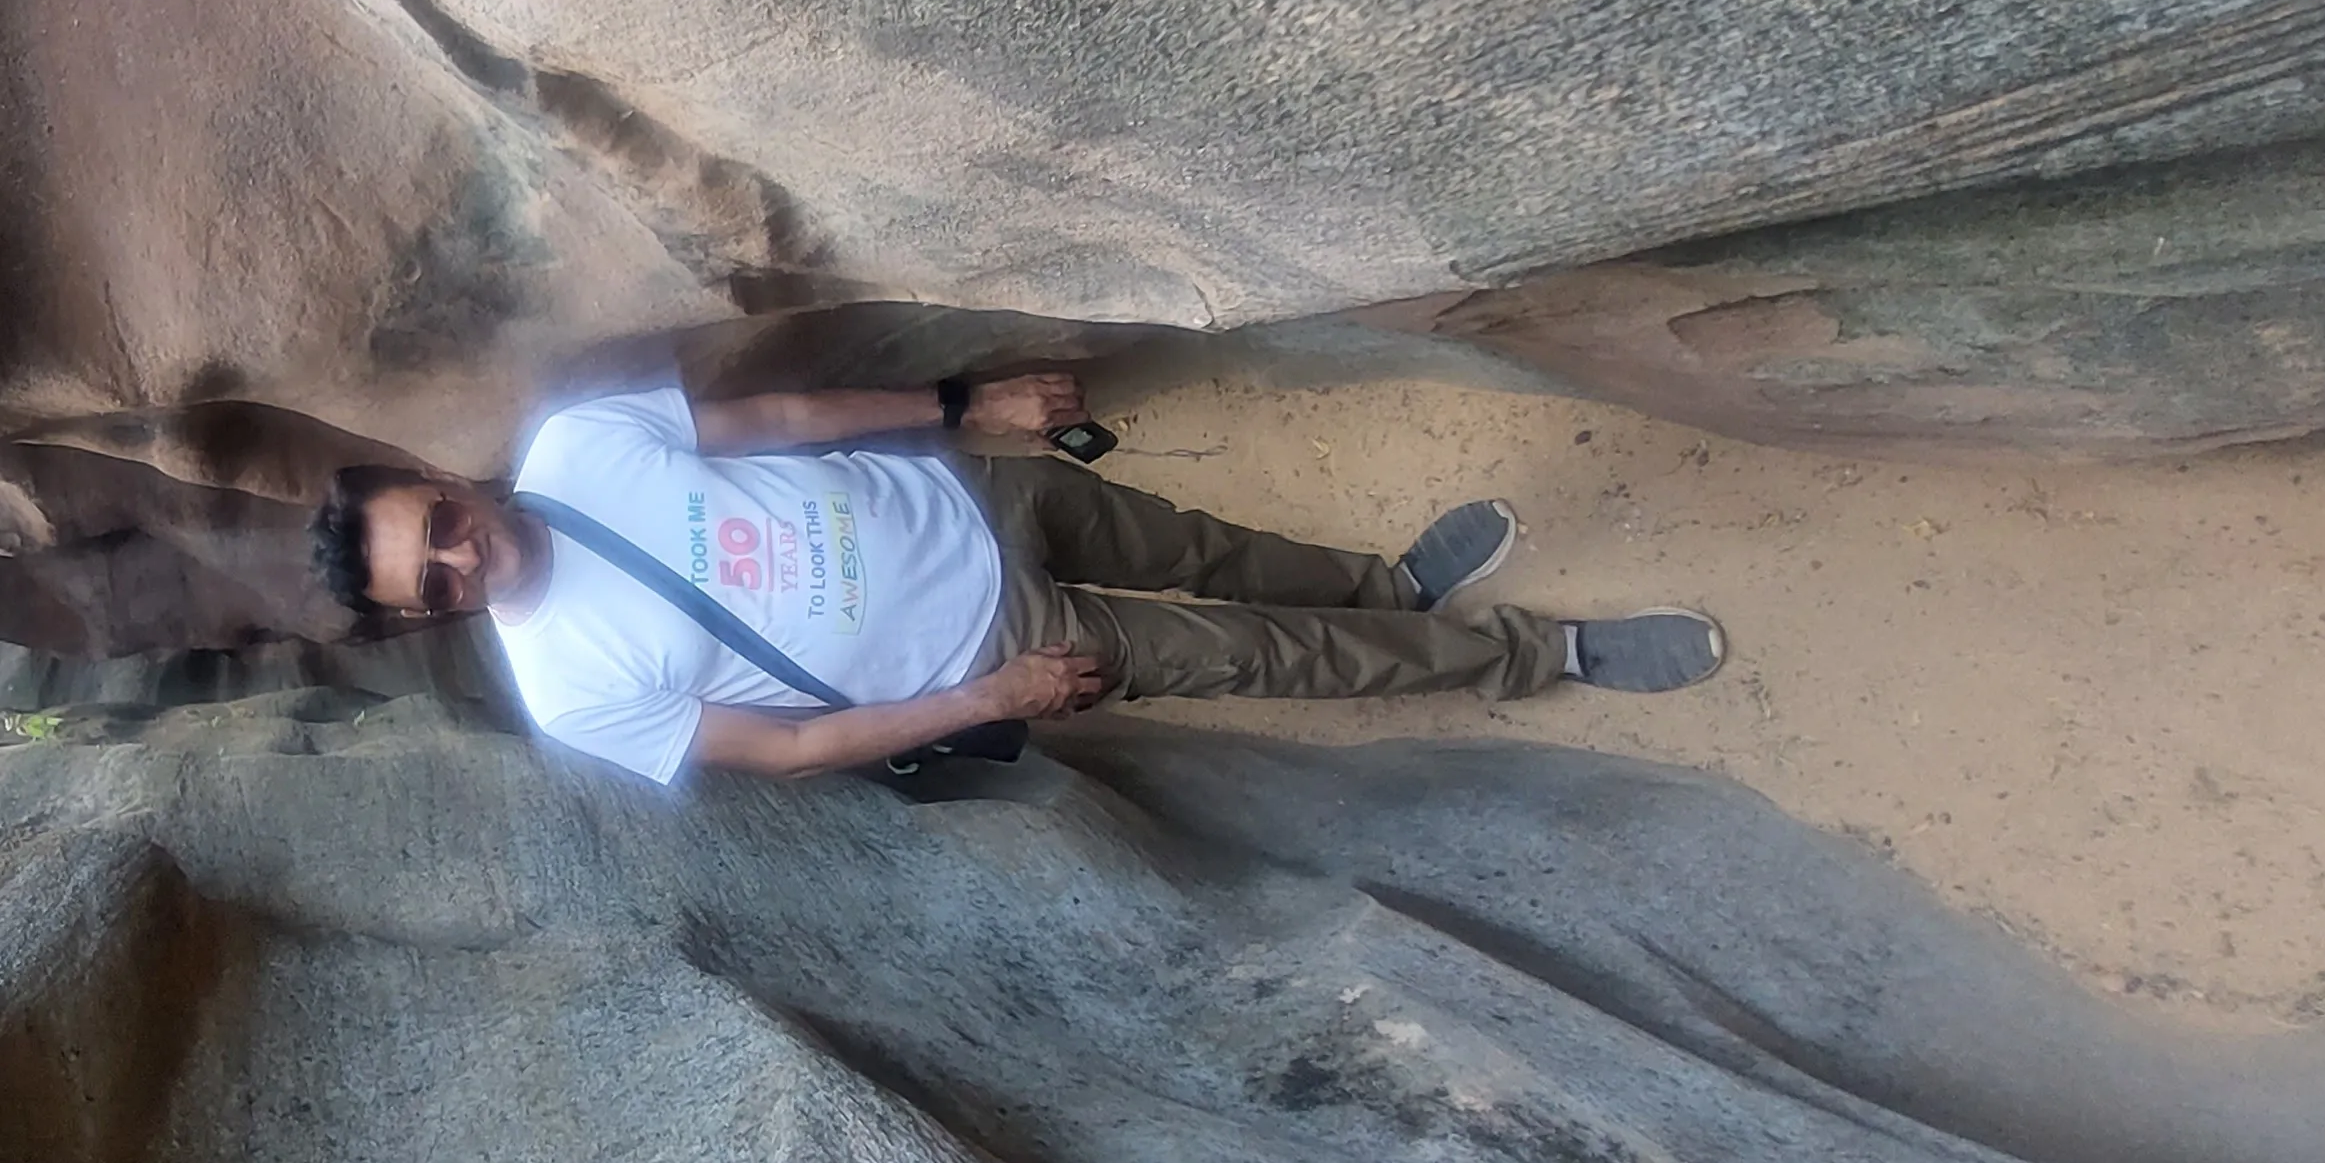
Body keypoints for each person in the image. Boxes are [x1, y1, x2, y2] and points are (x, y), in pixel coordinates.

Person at [309, 371, 1725, 784]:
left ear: (443, 485)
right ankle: (1544, 656)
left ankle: (1388, 584)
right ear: (423, 616)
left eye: (434, 523)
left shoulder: (573, 438)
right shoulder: (570, 693)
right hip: (993, 636)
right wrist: (993, 693)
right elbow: (795, 747)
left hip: (970, 491)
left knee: (1203, 546)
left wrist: (963, 407)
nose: (459, 556)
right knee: (1261, 659)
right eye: (430, 583)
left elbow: (787, 420)